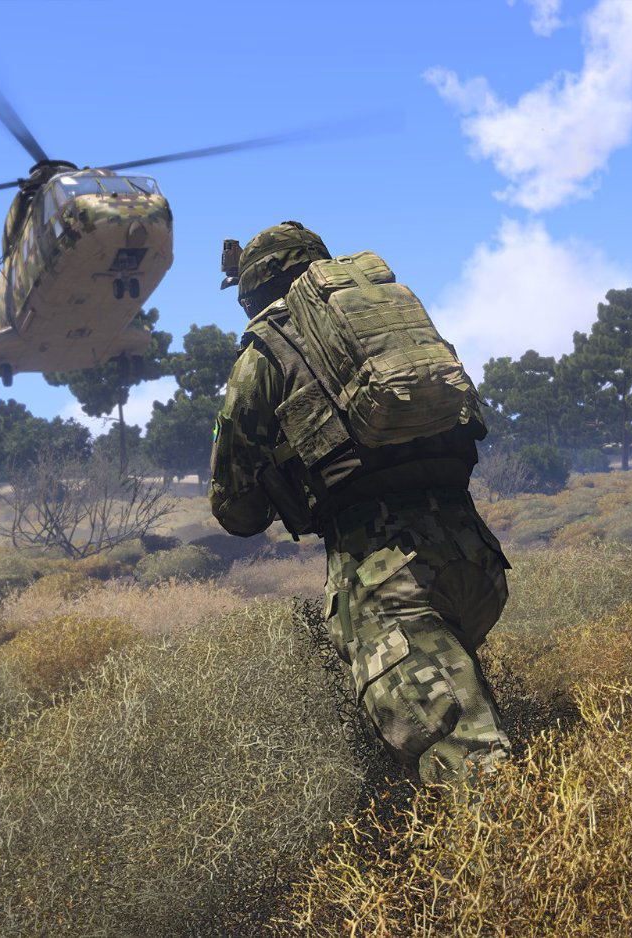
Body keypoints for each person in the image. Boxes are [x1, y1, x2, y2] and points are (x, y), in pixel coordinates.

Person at [209, 221, 512, 784]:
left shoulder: (265, 349)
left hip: (386, 580)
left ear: (253, 290)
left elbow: (236, 510)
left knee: (472, 766)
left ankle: (539, 835)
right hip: (476, 556)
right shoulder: (388, 325)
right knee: (456, 707)